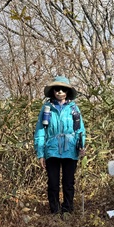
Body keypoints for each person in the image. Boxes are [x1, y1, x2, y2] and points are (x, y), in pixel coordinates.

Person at [34, 76, 86, 215]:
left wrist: (81, 146)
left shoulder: (74, 108)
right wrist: (40, 154)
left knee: (68, 182)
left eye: (63, 89)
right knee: (53, 182)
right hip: (52, 150)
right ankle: (55, 210)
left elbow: (80, 130)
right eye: (57, 89)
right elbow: (40, 132)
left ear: (68, 91)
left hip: (70, 149)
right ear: (53, 91)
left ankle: (67, 209)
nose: (60, 92)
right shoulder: (47, 109)